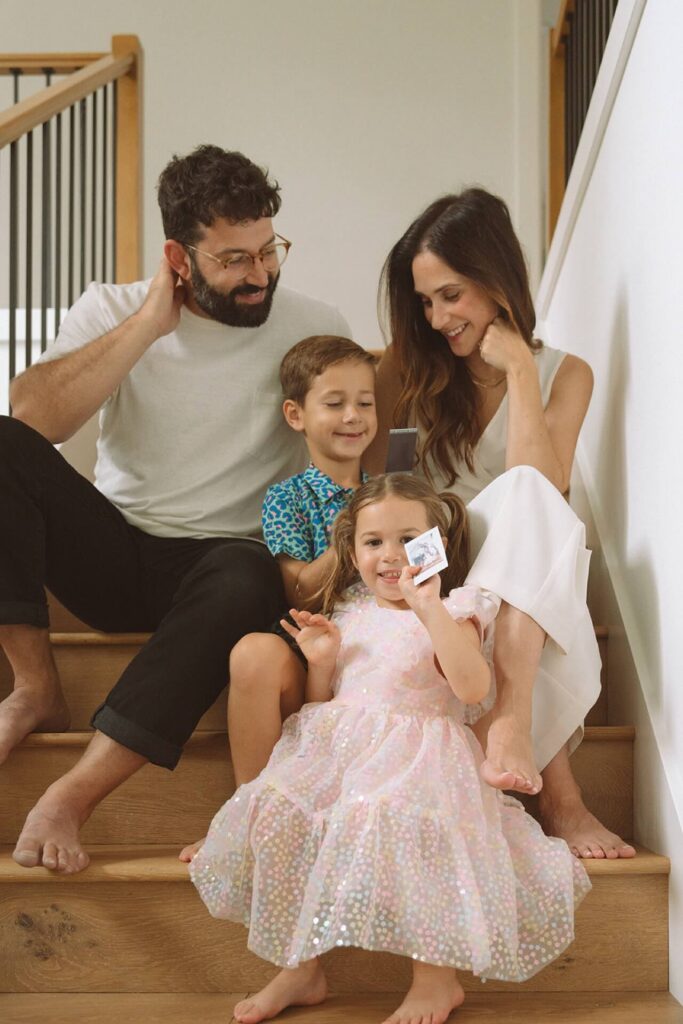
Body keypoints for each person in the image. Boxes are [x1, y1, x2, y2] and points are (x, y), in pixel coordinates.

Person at [0, 144, 349, 875]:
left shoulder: (313, 323)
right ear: (178, 256)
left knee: (244, 570)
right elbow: (34, 416)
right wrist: (149, 327)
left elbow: (350, 432)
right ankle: (35, 687)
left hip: (230, 569)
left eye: (268, 249)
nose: (259, 275)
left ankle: (73, 793)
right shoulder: (114, 309)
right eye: (232, 259)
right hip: (119, 553)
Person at [189, 474, 591, 1024]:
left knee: (408, 822)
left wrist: (429, 607)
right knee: (282, 810)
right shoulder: (350, 611)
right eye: (374, 542)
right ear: (352, 554)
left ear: (436, 547)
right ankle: (299, 964)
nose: (391, 555)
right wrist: (323, 662)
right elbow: (320, 703)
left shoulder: (457, 610)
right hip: (339, 748)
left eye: (408, 539)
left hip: (421, 755)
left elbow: (473, 688)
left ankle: (436, 977)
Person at [364, 187, 635, 859]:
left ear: (495, 279)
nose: (436, 317)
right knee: (541, 539)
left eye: (450, 295)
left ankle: (514, 725)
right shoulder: (409, 364)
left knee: (534, 510)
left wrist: (518, 369)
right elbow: (373, 485)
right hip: (432, 551)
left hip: (517, 561)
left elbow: (542, 486)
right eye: (425, 301)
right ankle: (559, 794)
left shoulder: (564, 373)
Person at [179, 332, 377, 862]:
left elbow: (427, 578)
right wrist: (354, 525)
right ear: (296, 415)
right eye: (334, 403)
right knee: (252, 652)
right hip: (311, 650)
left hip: (380, 657)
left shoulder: (397, 491)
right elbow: (299, 590)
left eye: (365, 402)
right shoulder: (287, 498)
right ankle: (253, 813)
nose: (353, 416)